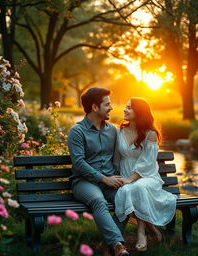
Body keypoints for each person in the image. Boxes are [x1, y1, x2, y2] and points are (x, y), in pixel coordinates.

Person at [67, 87, 129, 256]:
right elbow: (79, 163)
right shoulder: (77, 131)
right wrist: (104, 179)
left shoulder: (113, 130)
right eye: (107, 104)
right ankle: (117, 245)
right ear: (95, 107)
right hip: (84, 183)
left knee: (127, 199)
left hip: (109, 181)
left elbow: (121, 156)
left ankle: (105, 244)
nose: (111, 108)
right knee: (98, 201)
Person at [114, 98, 177, 252]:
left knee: (138, 187)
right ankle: (153, 229)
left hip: (147, 177)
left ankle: (141, 233)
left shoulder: (150, 134)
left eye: (129, 107)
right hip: (126, 174)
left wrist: (130, 179)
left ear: (140, 112)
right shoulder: (120, 131)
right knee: (127, 190)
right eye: (125, 107)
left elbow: (147, 163)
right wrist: (118, 176)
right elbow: (116, 157)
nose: (125, 110)